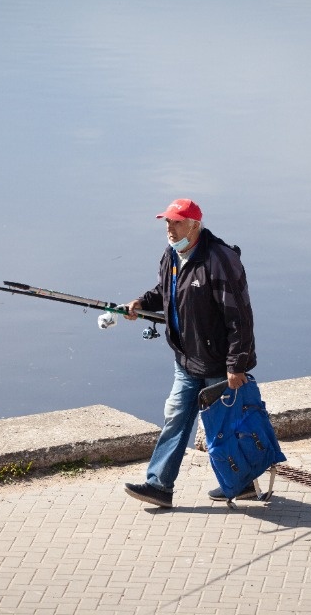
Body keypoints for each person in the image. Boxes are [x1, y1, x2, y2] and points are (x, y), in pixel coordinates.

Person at [122, 198, 257, 508]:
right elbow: (166, 293)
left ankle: (242, 482)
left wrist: (236, 366)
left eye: (177, 222)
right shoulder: (172, 256)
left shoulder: (220, 260)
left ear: (195, 225)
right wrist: (141, 303)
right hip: (186, 359)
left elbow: (240, 317)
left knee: (222, 427)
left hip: (218, 363)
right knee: (176, 419)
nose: (170, 228)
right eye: (168, 222)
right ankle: (159, 486)